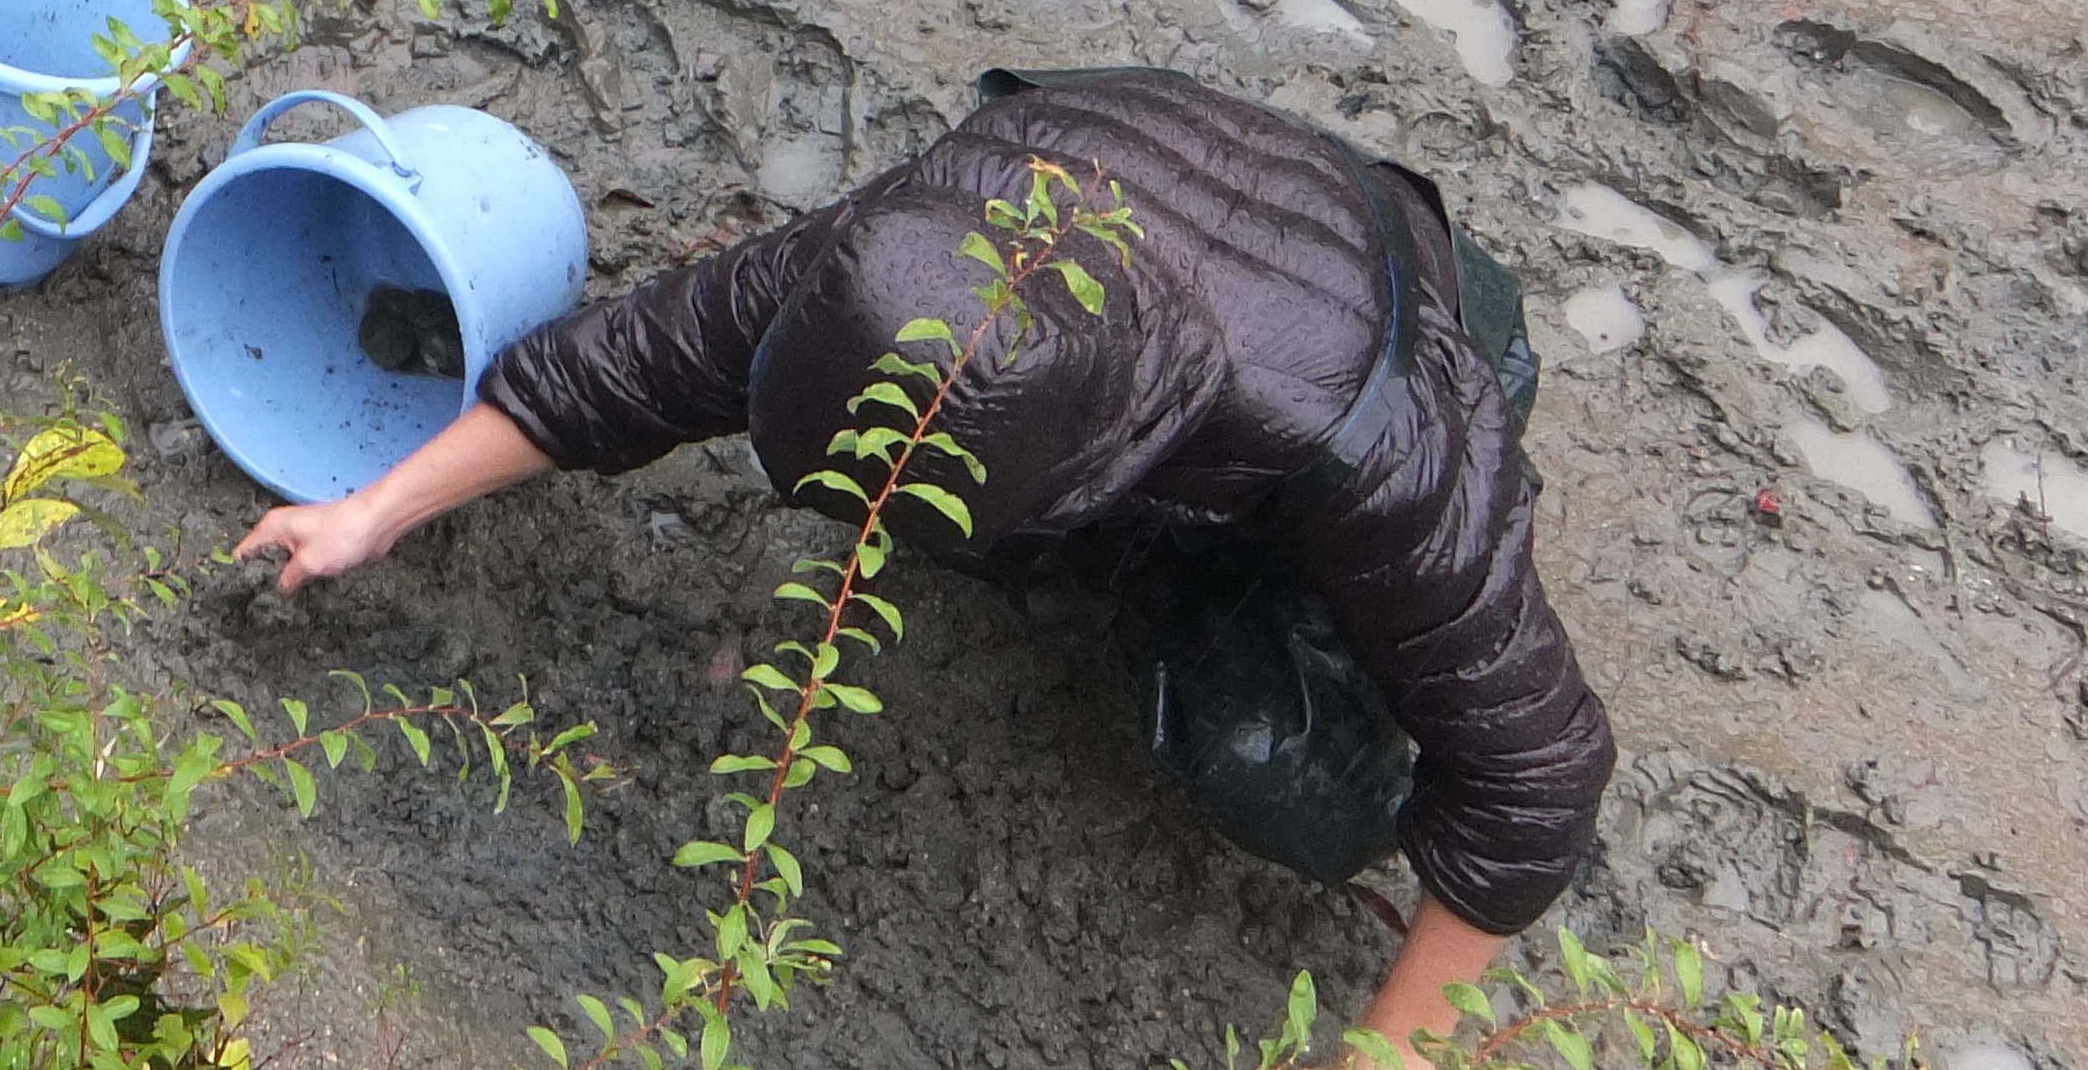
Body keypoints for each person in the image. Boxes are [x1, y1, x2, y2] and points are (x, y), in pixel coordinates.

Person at [234, 68, 1614, 1051]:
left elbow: (1536, 774)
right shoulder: (898, 253)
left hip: (1381, 309)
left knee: (1272, 762)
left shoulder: (1373, 455)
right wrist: (375, 510)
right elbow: (640, 361)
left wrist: (1392, 1051)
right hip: (1157, 213)